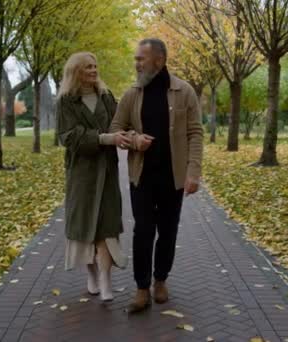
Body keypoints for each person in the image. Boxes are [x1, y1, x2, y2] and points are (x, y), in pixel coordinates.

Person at [110, 38, 203, 313]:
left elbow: (195, 133)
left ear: (159, 61)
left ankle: (160, 280)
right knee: (143, 231)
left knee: (168, 231)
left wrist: (193, 172)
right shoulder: (131, 94)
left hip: (172, 177)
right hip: (142, 176)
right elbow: (116, 128)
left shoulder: (184, 91)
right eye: (136, 58)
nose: (136, 63)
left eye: (141, 59)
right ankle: (141, 288)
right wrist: (134, 139)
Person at [57, 52, 131, 301]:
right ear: (76, 71)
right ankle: (91, 275)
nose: (94, 70)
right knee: (83, 228)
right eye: (88, 67)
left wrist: (127, 136)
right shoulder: (66, 101)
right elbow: (67, 136)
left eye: (95, 66)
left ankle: (105, 279)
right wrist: (102, 139)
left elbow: (119, 122)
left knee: (107, 228)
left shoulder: (106, 96)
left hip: (107, 171)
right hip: (81, 174)